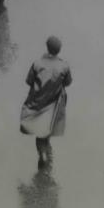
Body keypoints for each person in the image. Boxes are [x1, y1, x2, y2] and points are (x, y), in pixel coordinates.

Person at [20, 36, 73, 170]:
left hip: (37, 102)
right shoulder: (64, 66)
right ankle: (45, 154)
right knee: (48, 126)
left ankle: (42, 154)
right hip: (54, 102)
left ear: (47, 47)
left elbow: (28, 81)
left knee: (40, 132)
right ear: (59, 51)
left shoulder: (37, 63)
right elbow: (68, 82)